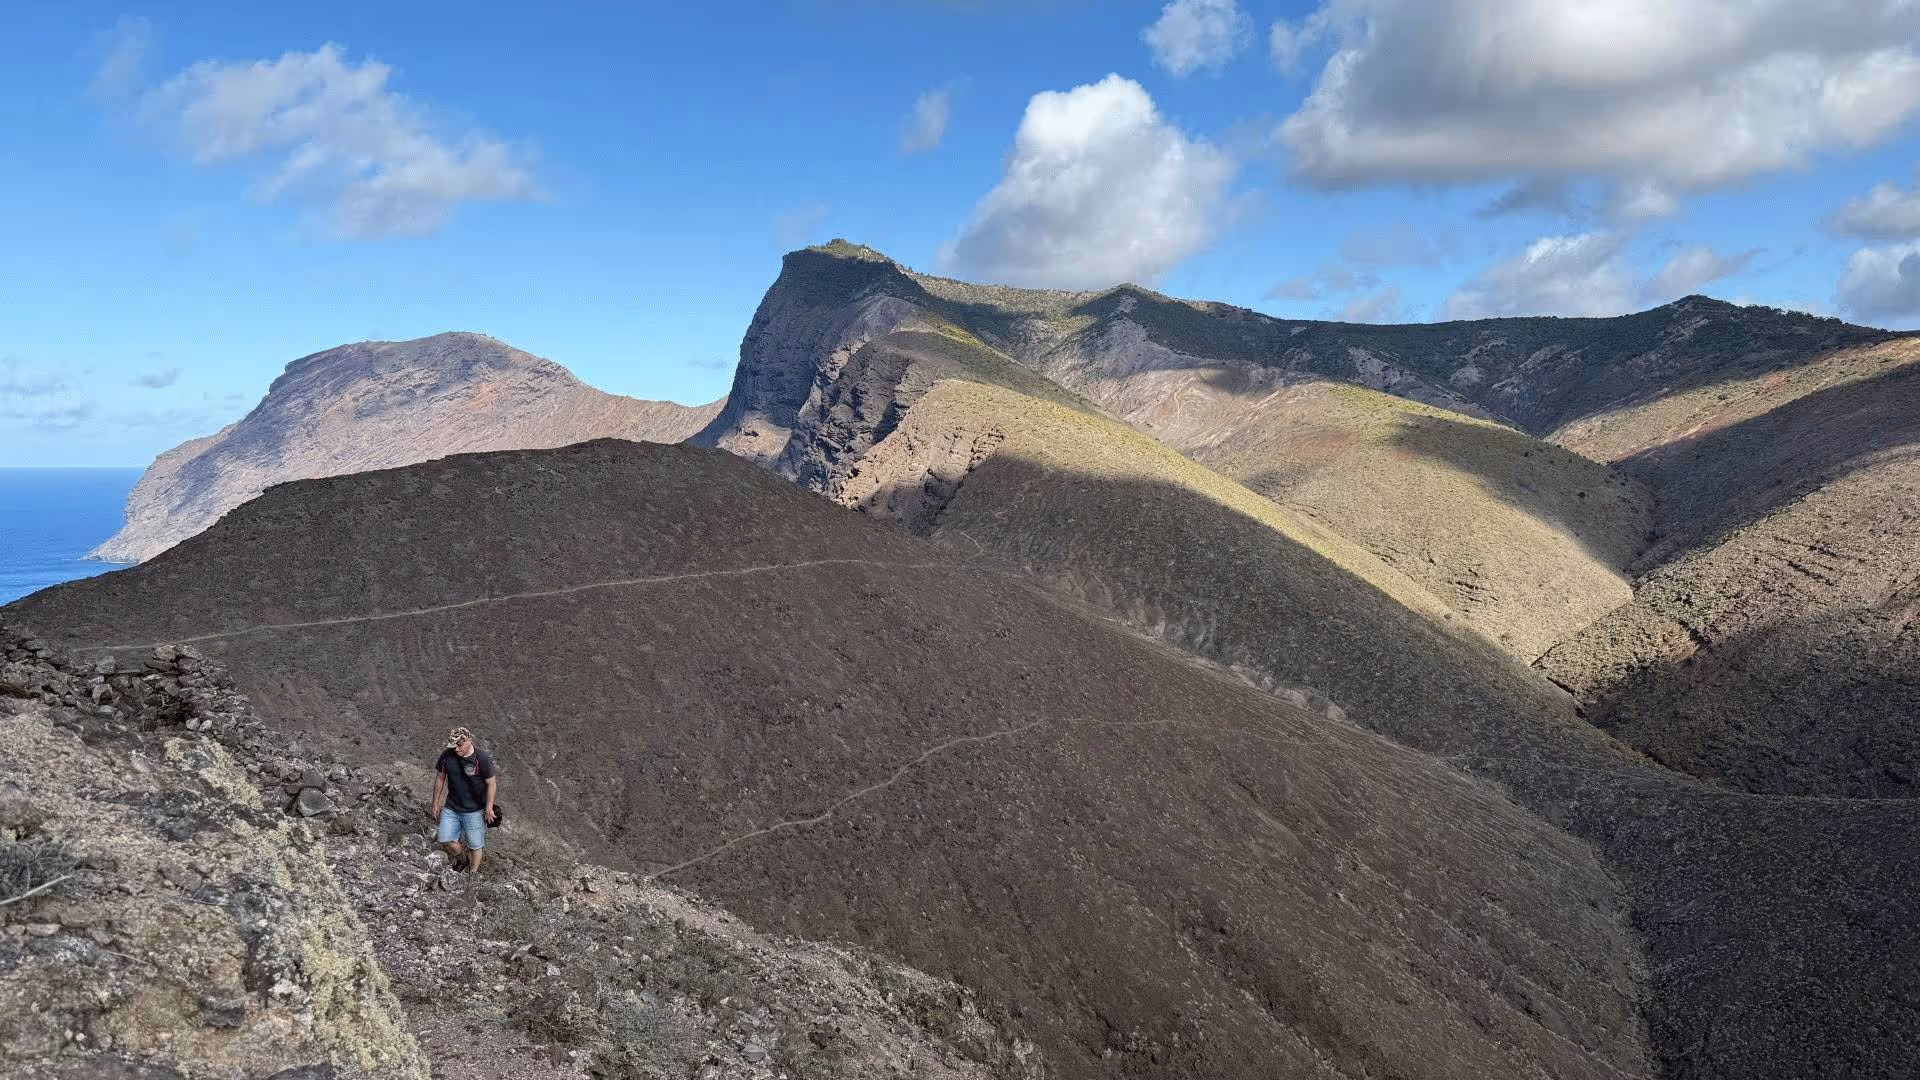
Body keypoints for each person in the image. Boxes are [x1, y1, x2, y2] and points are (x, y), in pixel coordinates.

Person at [429, 726, 497, 872]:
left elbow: (491, 783)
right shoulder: (447, 756)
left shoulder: (481, 759)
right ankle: (462, 859)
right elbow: (440, 778)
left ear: (469, 741)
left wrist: (489, 807)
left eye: (459, 745)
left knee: (475, 845)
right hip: (451, 807)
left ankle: (473, 874)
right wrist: (435, 803)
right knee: (445, 838)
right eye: (454, 746)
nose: (456, 749)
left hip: (474, 810)